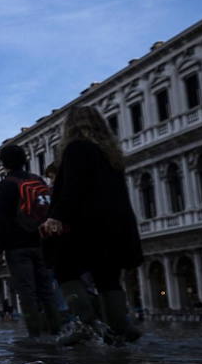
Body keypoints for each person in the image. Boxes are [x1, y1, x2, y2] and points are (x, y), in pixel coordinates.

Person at [41, 105, 143, 344]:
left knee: (64, 269)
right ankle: (120, 328)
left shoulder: (76, 149)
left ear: (70, 127)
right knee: (108, 277)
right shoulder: (110, 153)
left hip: (87, 224)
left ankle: (86, 321)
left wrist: (56, 216)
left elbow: (72, 189)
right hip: (116, 224)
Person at [0, 145, 63, 338]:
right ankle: (57, 331)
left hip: (17, 247)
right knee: (47, 291)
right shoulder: (38, 180)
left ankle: (35, 335)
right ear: (25, 160)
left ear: (3, 164)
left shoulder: (4, 186)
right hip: (42, 242)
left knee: (27, 292)